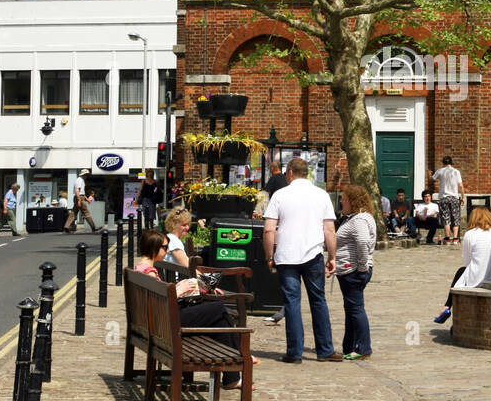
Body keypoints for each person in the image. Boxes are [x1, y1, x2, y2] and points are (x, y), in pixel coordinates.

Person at [133, 230, 249, 388]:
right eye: (165, 248)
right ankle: (242, 355)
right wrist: (178, 291)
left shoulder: (140, 268)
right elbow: (158, 303)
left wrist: (179, 288)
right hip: (165, 325)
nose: (167, 251)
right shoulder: (149, 274)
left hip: (160, 322)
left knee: (219, 320)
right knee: (218, 307)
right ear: (155, 249)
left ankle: (233, 376)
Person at [263, 155, 338, 363]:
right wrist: (332, 257)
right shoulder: (321, 195)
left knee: (292, 303)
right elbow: (329, 230)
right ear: (308, 174)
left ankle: (295, 353)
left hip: (286, 256)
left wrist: (269, 256)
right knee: (318, 301)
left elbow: (269, 230)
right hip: (313, 254)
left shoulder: (280, 195)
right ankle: (325, 350)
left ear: (289, 173)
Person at [434, 206, 491, 323]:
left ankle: (447, 307)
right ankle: (446, 307)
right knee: (461, 272)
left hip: (477, 278)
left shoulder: (470, 234)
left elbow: (467, 261)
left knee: (461, 272)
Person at [334, 184, 377, 360]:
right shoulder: (355, 218)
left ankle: (363, 348)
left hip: (352, 270)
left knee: (356, 308)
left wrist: (361, 267)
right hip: (349, 270)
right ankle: (349, 346)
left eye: (343, 199)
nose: (341, 202)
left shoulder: (359, 220)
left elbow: (362, 241)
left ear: (352, 201)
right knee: (351, 308)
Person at [431, 155, 465, 247]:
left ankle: (447, 239)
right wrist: (462, 197)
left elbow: (432, 179)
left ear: (443, 163)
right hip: (454, 197)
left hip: (443, 198)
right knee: (455, 218)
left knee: (446, 218)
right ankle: (455, 239)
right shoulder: (456, 172)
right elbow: (461, 186)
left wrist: (429, 174)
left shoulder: (440, 171)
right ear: (451, 163)